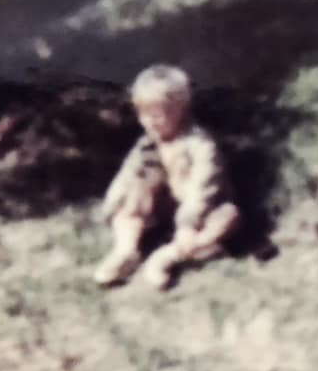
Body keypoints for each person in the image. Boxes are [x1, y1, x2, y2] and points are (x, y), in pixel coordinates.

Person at [94, 65, 240, 291]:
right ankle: (125, 251)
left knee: (228, 217)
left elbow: (204, 187)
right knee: (131, 194)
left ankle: (168, 256)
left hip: (199, 209)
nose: (150, 122)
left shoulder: (199, 144)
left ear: (180, 110)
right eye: (143, 114)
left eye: (158, 115)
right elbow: (128, 177)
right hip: (163, 206)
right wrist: (117, 207)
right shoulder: (148, 143)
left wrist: (188, 223)